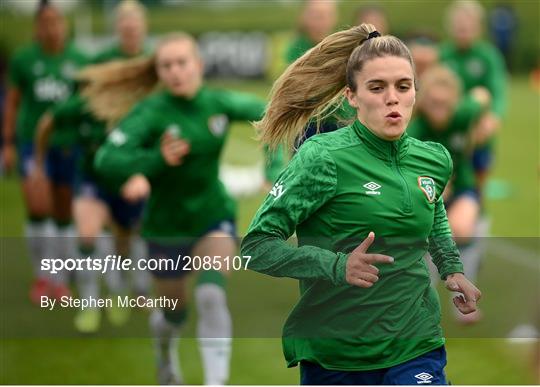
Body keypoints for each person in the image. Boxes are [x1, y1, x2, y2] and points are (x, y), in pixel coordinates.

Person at [241, 24, 481, 385]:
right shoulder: (322, 158)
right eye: (377, 87)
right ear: (351, 96)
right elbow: (257, 246)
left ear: (416, 90)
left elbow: (433, 211)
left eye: (403, 86)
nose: (392, 98)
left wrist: (451, 268)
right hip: (337, 354)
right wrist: (338, 265)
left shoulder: (434, 158)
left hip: (415, 341)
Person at [86, 33, 282, 384]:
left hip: (212, 217)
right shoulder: (151, 112)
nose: (175, 71)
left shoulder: (217, 102)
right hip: (165, 225)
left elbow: (275, 116)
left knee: (210, 293)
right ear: (159, 72)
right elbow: (106, 159)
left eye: (182, 63)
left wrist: (272, 169)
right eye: (166, 65)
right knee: (173, 313)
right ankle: (164, 356)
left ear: (199, 65)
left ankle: (215, 382)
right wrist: (155, 159)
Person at [2, 0, 87, 303]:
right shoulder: (25, 60)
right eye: (46, 22)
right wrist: (8, 143)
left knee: (63, 212)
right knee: (38, 207)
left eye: (57, 21)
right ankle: (42, 276)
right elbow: (12, 102)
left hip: (67, 144)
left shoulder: (78, 59)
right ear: (37, 27)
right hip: (32, 146)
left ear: (64, 24)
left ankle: (60, 278)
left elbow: (85, 106)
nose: (52, 28)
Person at [407, 65, 491, 324]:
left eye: (445, 104)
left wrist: (484, 121)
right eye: (433, 103)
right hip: (426, 195)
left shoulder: (463, 115)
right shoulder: (415, 131)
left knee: (462, 228)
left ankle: (465, 299)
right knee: (422, 236)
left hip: (464, 186)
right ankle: (423, 298)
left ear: (454, 101)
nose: (439, 110)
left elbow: (482, 94)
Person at [440, 0, 507, 195]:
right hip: (445, 131)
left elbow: (498, 92)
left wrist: (493, 118)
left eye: (468, 24)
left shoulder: (488, 56)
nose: (463, 29)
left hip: (478, 133)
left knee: (477, 186)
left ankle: (477, 216)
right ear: (450, 26)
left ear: (479, 27)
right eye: (459, 25)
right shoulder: (442, 54)